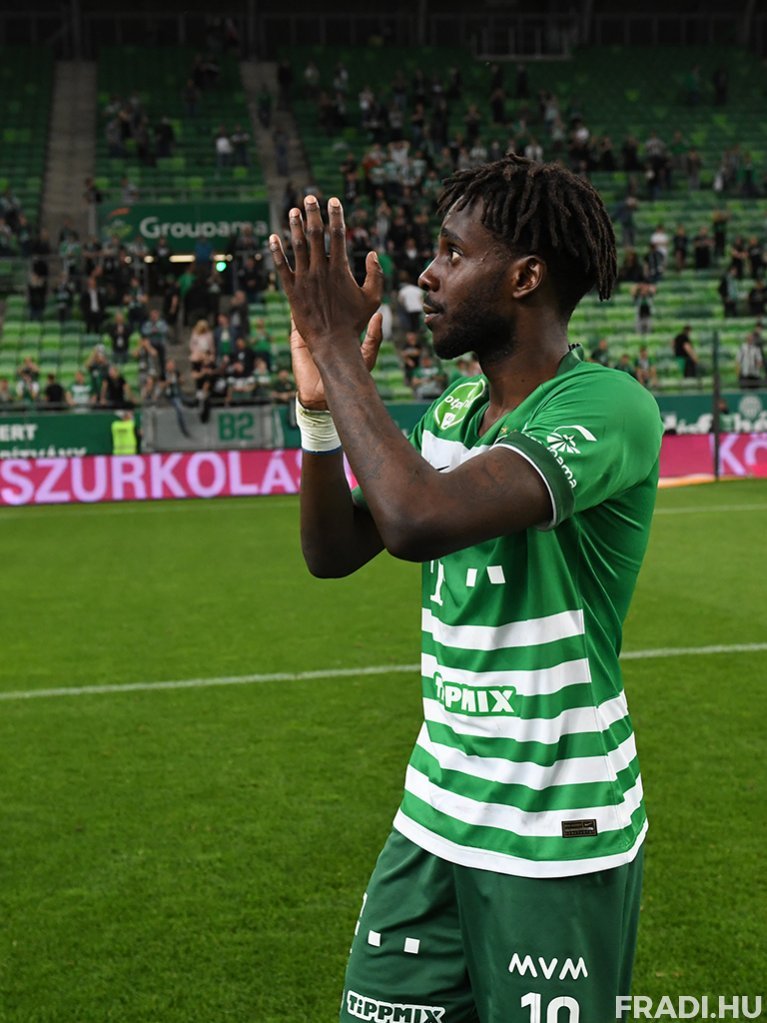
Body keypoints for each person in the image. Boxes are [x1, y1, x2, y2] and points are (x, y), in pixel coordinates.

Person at [269, 155, 663, 1023]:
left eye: (452, 253)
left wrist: (336, 346)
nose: (426, 274)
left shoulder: (606, 406)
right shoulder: (452, 411)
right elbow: (334, 550)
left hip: (554, 824)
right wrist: (320, 409)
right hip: (436, 808)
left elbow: (418, 520)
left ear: (523, 277)